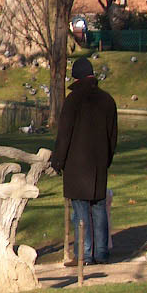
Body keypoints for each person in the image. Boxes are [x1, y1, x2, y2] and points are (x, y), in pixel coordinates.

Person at [50, 57, 118, 265]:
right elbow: (112, 136)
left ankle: (84, 255)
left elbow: (64, 136)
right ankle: (101, 253)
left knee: (80, 212)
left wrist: (58, 161)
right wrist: (106, 159)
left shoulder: (73, 101)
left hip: (77, 167)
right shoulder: (107, 100)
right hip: (98, 165)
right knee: (98, 209)